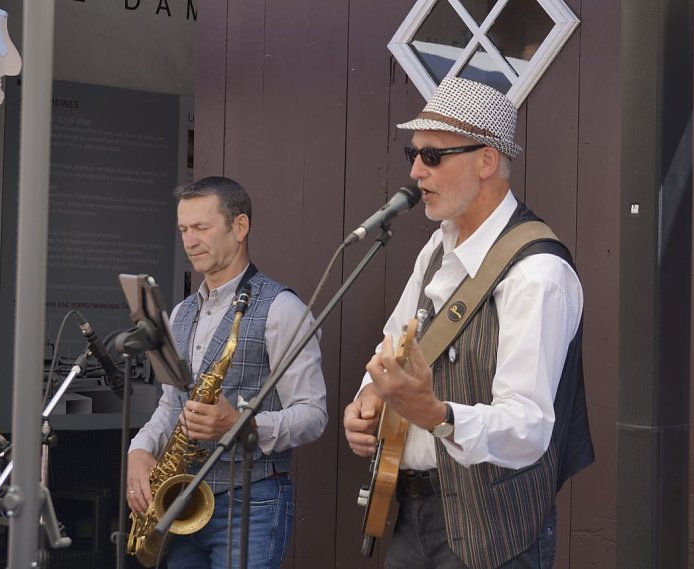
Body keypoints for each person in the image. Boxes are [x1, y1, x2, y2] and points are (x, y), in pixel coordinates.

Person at [343, 77, 594, 569]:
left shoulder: (537, 274)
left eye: (433, 156)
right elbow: (394, 344)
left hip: (493, 533)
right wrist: (367, 398)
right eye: (412, 154)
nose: (415, 172)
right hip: (411, 513)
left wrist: (437, 414)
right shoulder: (437, 247)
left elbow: (528, 426)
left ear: (486, 160)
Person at [127, 176, 328, 569]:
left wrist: (239, 424)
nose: (189, 241)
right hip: (181, 502)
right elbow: (172, 403)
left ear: (240, 227)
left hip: (252, 502)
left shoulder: (282, 309)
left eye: (201, 227)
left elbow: (313, 415)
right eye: (184, 229)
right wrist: (139, 449)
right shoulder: (182, 313)